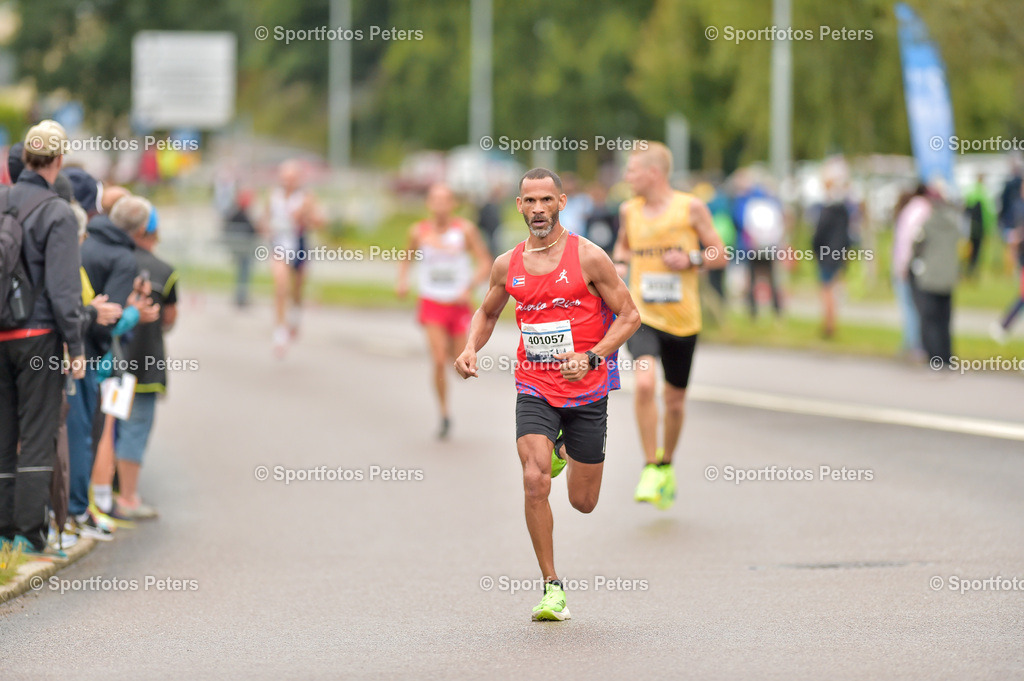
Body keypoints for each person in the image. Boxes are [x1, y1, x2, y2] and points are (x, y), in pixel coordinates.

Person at [455, 167, 640, 621]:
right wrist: (469, 348)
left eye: (546, 200)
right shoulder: (507, 265)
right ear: (518, 206)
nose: (538, 209)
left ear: (561, 202)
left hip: (587, 388)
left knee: (583, 502)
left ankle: (563, 448)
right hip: (535, 384)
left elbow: (630, 315)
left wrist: (594, 356)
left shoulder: (590, 257)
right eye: (529, 201)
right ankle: (551, 587)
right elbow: (487, 311)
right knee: (534, 479)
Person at [612, 143, 726, 510]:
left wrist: (691, 258)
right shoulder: (628, 211)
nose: (627, 177)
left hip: (683, 320)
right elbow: (623, 248)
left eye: (632, 171)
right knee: (644, 383)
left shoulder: (690, 208)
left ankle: (666, 464)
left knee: (674, 402)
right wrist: (615, 269)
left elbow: (720, 254)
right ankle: (650, 466)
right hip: (642, 316)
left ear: (653, 173)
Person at [0, 121, 84, 556]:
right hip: (38, 337)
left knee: (2, 431)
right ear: (58, 160)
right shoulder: (58, 213)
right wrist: (77, 345)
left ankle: (1, 531)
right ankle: (28, 535)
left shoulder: (1, 201)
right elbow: (64, 289)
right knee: (35, 433)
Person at [397, 184, 491, 439]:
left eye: (445, 200)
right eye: (435, 200)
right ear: (428, 204)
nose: (440, 205)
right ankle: (444, 413)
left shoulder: (465, 230)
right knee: (439, 360)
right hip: (431, 302)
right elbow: (406, 258)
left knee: (459, 363)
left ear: (453, 204)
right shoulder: (418, 231)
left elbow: (485, 261)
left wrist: (469, 286)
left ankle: (453, 371)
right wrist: (403, 280)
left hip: (458, 304)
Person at [113, 205, 178, 518]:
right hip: (146, 364)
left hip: (111, 362)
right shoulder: (165, 271)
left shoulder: (116, 261)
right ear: (152, 232)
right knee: (136, 428)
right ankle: (127, 498)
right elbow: (169, 320)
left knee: (109, 425)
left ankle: (102, 492)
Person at [261, 160, 325, 357]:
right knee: (280, 286)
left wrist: (306, 215)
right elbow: (264, 220)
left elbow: (320, 221)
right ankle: (280, 333)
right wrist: (267, 228)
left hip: (299, 246)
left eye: (292, 178)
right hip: (279, 246)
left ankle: (295, 316)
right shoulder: (273, 196)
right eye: (285, 178)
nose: (288, 182)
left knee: (296, 289)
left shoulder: (306, 197)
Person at [812, 174, 853, 339]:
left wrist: (815, 249)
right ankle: (831, 323)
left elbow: (819, 234)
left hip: (826, 254)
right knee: (833, 289)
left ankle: (828, 325)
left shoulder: (827, 211)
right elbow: (848, 236)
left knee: (826, 290)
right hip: (839, 253)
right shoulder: (844, 211)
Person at [224, 189, 257, 308]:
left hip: (244, 249)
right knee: (242, 274)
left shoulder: (238, 213)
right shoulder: (238, 213)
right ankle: (240, 297)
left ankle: (242, 297)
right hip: (242, 249)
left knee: (243, 274)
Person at [963, 174, 996, 279]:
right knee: (977, 249)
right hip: (980, 226)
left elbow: (965, 210)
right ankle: (973, 270)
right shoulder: (984, 193)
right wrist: (989, 228)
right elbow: (988, 214)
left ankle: (968, 269)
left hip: (970, 226)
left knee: (970, 248)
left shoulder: (970, 192)